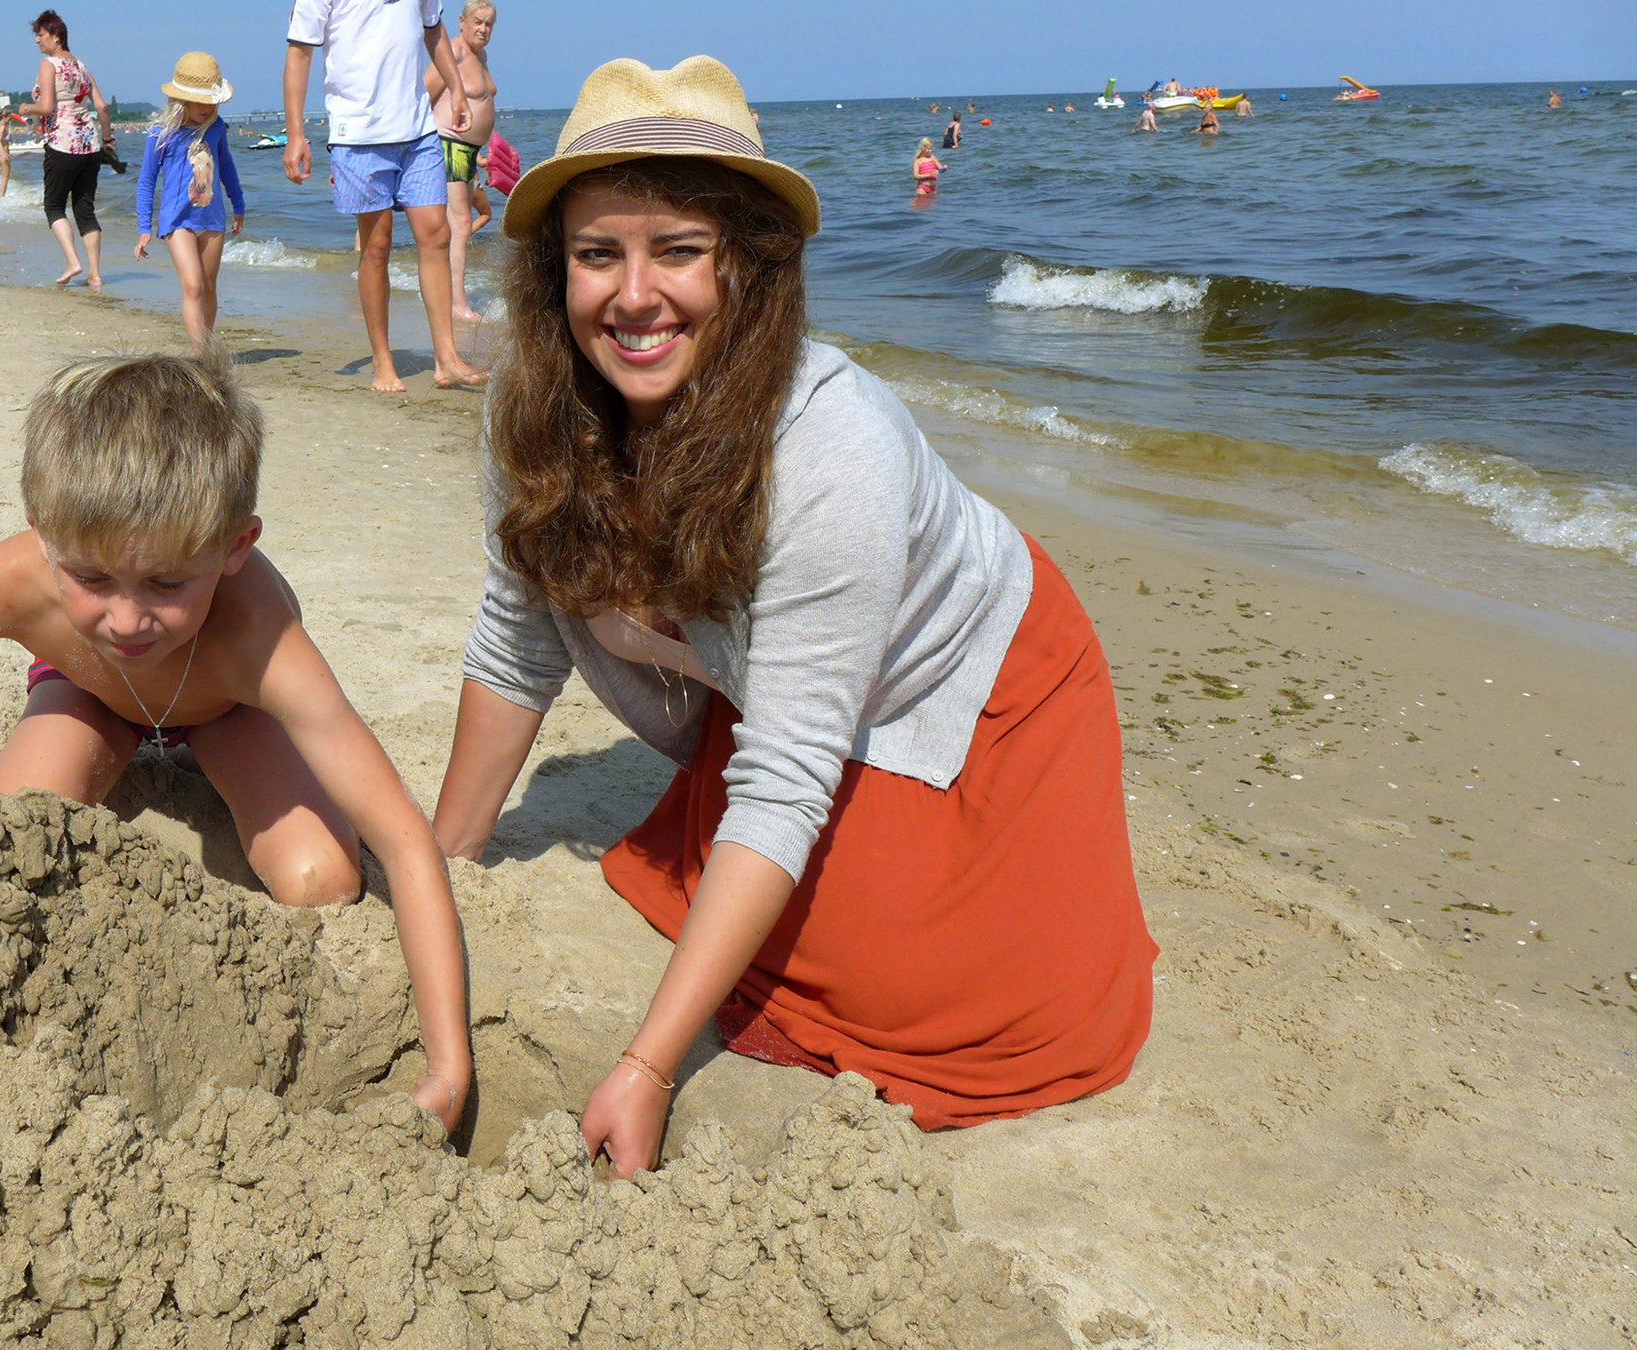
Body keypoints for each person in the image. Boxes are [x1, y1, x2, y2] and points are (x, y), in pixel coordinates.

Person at [433, 56, 1156, 1176]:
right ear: (552, 271)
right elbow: (515, 640)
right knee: (766, 907)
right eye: (596, 254)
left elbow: (782, 779)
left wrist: (648, 1066)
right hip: (794, 690)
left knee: (922, 997)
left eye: (679, 251)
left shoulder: (833, 446)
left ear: (753, 268)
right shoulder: (532, 410)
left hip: (975, 678)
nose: (633, 296)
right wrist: (446, 860)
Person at [0, 351, 476, 1130]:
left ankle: (197, 753)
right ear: (44, 536)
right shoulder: (16, 578)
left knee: (323, 880)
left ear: (235, 547)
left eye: (168, 584)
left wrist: (448, 1068)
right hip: (91, 695)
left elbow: (404, 841)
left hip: (227, 709)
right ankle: (125, 733)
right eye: (92, 580)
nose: (127, 620)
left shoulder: (262, 640)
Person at [285, 0, 487, 392]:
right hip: (358, 135)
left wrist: (457, 89)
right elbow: (299, 53)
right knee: (377, 244)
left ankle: (447, 360)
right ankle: (382, 359)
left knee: (437, 235)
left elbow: (434, 29)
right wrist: (295, 134)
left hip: (418, 130)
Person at [134, 53, 247, 353]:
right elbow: (146, 181)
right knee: (193, 286)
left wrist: (239, 204)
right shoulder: (161, 134)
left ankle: (205, 350)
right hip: (176, 220)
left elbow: (227, 167)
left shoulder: (216, 128)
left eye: (212, 102)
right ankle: (200, 360)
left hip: (212, 219)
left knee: (209, 289)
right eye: (201, 102)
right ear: (182, 99)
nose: (208, 108)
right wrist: (144, 227)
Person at [22, 10, 117, 289]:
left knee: (53, 206)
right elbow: (102, 107)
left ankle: (73, 262)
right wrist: (108, 139)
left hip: (62, 143)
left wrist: (27, 107)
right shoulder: (82, 65)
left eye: (40, 35)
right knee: (85, 208)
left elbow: (47, 107)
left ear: (55, 35)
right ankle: (95, 274)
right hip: (90, 145)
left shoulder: (48, 64)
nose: (37, 41)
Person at [425, 0, 498, 328]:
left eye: (489, 24)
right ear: (462, 21)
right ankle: (457, 303)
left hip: (469, 151)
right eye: (478, 22)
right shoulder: (452, 52)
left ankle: (449, 292)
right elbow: (423, 97)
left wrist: (485, 154)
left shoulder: (480, 57)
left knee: (459, 225)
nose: (483, 29)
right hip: (448, 145)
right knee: (458, 224)